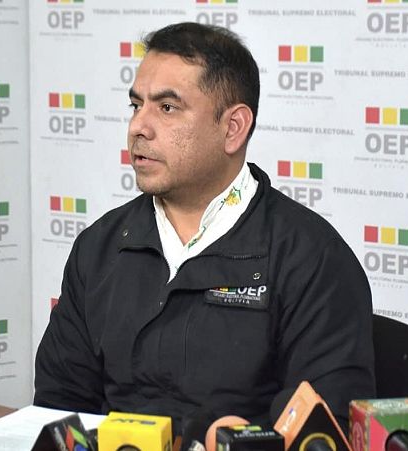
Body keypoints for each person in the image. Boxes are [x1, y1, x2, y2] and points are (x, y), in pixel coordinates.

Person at [34, 22, 374, 432]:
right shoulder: (99, 247)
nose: (138, 126)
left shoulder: (312, 258)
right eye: (136, 105)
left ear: (233, 128)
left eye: (167, 108)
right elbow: (57, 412)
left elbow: (324, 431)